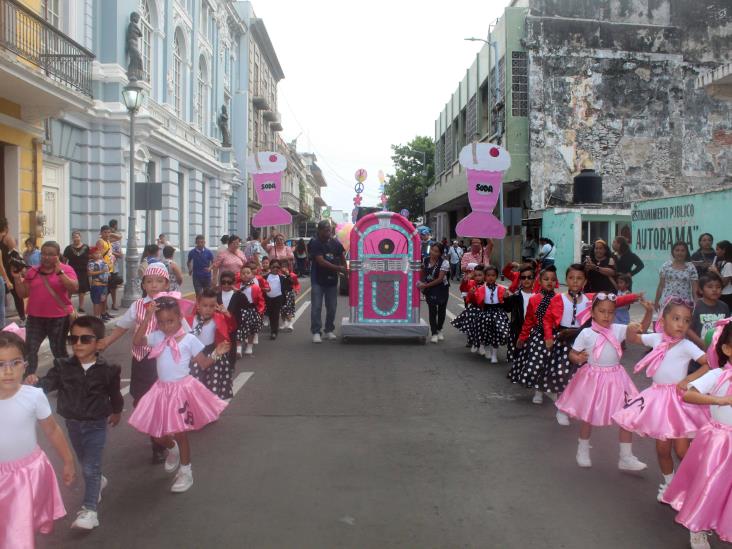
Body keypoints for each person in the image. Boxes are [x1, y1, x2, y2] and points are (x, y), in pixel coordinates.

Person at [26, 316, 123, 530]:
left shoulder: (108, 370)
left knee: (90, 466)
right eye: (74, 339)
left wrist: (116, 412)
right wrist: (35, 383)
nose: (78, 344)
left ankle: (89, 511)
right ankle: (97, 481)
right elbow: (47, 384)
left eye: (85, 339)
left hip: (96, 424)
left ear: (98, 343)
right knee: (84, 460)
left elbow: (115, 395)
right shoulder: (63, 366)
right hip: (72, 424)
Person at [613, 298, 710, 502]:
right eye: (676, 318)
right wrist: (645, 316)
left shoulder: (686, 346)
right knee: (662, 449)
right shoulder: (656, 338)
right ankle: (669, 482)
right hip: (657, 400)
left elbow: (708, 364)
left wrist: (688, 379)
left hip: (678, 402)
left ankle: (698, 480)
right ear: (663, 320)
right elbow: (634, 338)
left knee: (682, 450)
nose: (681, 324)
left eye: (686, 320)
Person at [129, 296, 229, 493]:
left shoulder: (190, 340)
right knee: (156, 434)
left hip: (181, 391)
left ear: (179, 318)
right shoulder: (157, 336)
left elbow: (203, 363)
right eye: (162, 322)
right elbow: (137, 341)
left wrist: (217, 352)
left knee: (181, 433)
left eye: (171, 321)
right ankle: (171, 448)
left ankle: (186, 472)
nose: (166, 326)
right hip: (161, 391)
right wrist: (148, 317)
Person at [555, 294, 652, 471]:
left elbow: (639, 331)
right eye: (602, 311)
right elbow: (572, 354)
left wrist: (649, 313)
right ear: (592, 312)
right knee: (588, 416)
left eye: (610, 312)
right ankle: (582, 448)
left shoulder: (618, 329)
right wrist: (578, 358)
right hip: (592, 377)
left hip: (617, 378)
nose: (606, 316)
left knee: (627, 415)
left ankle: (626, 456)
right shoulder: (586, 333)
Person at [661, 321, 732, 548]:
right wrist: (720, 400)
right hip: (719, 441)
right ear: (728, 350)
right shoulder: (719, 375)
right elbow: (690, 395)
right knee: (709, 484)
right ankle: (697, 526)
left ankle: (722, 521)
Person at [0, 330, 74, 546]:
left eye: (15, 363)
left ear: (25, 365)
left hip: (28, 474)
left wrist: (68, 460)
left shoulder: (33, 396)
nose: (8, 371)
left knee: (20, 530)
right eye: (0, 364)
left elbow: (52, 430)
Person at [542, 264, 638, 425]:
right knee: (562, 375)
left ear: (585, 281)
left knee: (579, 379)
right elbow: (547, 319)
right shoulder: (558, 298)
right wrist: (548, 336)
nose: (575, 281)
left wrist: (634, 297)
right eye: (571, 278)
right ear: (566, 280)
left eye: (579, 278)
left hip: (584, 340)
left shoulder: (589, 298)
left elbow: (613, 300)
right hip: (564, 340)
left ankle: (582, 406)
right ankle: (562, 409)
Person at [99, 264, 174, 463]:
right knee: (141, 401)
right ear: (143, 284)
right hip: (142, 361)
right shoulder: (138, 305)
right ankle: (159, 436)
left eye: (159, 281)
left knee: (160, 403)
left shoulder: (173, 303)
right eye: (149, 281)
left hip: (164, 361)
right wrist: (106, 342)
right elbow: (123, 326)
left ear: (166, 283)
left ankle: (159, 445)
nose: (154, 285)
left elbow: (184, 331)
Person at [11, 241, 78, 375]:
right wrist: (17, 278)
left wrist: (61, 274)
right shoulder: (33, 271)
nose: (46, 257)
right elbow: (23, 293)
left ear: (58, 255)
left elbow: (74, 288)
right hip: (35, 318)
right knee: (29, 351)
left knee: (58, 351)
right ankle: (28, 380)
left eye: (51, 254)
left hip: (58, 319)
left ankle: (66, 380)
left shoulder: (67, 269)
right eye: (44, 254)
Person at [507, 266, 558, 404]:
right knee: (537, 364)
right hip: (538, 336)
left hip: (554, 337)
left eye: (553, 279)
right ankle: (538, 391)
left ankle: (551, 390)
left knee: (552, 365)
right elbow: (529, 320)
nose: (550, 282)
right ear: (539, 281)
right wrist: (522, 337)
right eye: (546, 279)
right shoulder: (534, 299)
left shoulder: (560, 299)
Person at [187, 289, 237, 400]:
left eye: (212, 306)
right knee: (196, 384)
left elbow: (231, 328)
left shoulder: (218, 318)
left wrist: (227, 314)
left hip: (213, 353)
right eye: (205, 305)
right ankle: (197, 408)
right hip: (195, 355)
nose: (208, 309)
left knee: (213, 384)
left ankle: (212, 409)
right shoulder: (189, 320)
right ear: (198, 305)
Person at [309, 220, 346, 343]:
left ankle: (329, 330)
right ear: (319, 231)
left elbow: (342, 256)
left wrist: (345, 270)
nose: (328, 232)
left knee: (332, 307)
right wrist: (338, 268)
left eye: (329, 229)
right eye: (326, 230)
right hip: (317, 280)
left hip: (332, 280)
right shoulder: (315, 243)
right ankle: (316, 332)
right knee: (316, 307)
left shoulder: (335, 243)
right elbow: (321, 261)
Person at [418, 243, 450, 344]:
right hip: (430, 288)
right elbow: (422, 273)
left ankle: (439, 329)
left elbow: (440, 279)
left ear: (440, 253)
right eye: (432, 250)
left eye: (436, 251)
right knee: (432, 310)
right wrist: (420, 281)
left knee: (441, 310)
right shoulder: (425, 260)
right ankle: (434, 333)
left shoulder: (444, 262)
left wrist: (425, 286)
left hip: (441, 288)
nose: (433, 253)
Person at [687, 273, 729, 351]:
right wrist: (700, 343)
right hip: (698, 350)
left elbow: (727, 328)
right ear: (700, 290)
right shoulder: (695, 307)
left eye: (718, 287)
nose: (714, 290)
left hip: (718, 349)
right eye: (710, 287)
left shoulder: (724, 307)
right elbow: (688, 329)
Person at [502, 263, 536, 357]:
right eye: (523, 277)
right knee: (518, 352)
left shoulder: (538, 296)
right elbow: (507, 309)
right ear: (520, 279)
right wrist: (505, 299)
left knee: (531, 353)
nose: (526, 280)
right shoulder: (516, 296)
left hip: (533, 329)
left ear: (534, 279)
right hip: (518, 328)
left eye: (529, 277)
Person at [655, 241, 699, 310]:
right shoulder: (666, 266)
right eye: (677, 250)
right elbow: (661, 286)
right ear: (673, 252)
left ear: (686, 252)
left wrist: (696, 304)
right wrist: (656, 301)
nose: (680, 253)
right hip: (667, 302)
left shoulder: (691, 267)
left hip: (684, 302)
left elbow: (694, 289)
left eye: (683, 250)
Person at [452, 265, 485, 353]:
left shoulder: (487, 284)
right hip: (474, 307)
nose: (477, 277)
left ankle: (482, 341)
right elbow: (463, 289)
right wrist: (465, 281)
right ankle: (471, 339)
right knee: (471, 321)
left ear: (484, 275)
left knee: (483, 324)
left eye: (480, 275)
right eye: (476, 275)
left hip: (485, 308)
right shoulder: (471, 283)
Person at [236, 266, 265, 356]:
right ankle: (238, 348)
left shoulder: (255, 287)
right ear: (240, 275)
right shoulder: (237, 286)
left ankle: (249, 346)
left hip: (251, 310)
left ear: (252, 275)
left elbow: (261, 300)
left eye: (248, 273)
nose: (245, 275)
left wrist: (260, 311)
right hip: (240, 310)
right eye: (243, 273)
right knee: (238, 329)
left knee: (251, 330)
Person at [264, 260, 293, 340]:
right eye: (273, 267)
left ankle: (274, 332)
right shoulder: (265, 277)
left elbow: (290, 284)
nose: (275, 268)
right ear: (270, 267)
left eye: (278, 267)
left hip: (278, 297)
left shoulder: (282, 277)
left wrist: (287, 275)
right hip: (268, 298)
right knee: (270, 314)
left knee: (276, 314)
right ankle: (273, 327)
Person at [63, 231, 90, 313]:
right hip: (72, 270)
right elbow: (64, 260)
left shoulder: (86, 247)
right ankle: (68, 304)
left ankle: (81, 306)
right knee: (70, 287)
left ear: (80, 237)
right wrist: (64, 269)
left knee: (82, 288)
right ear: (72, 238)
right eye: (74, 237)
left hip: (83, 270)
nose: (76, 239)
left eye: (77, 237)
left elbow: (89, 258)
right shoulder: (68, 248)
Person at [95, 226, 120, 314]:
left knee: (106, 291)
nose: (107, 234)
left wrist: (110, 233)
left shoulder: (108, 241)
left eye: (108, 232)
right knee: (103, 292)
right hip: (104, 271)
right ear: (101, 233)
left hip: (110, 269)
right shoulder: (100, 242)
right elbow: (100, 256)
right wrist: (104, 269)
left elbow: (119, 237)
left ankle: (104, 312)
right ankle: (101, 312)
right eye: (105, 232)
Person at [87, 246, 110, 320]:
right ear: (92, 255)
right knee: (97, 302)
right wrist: (101, 271)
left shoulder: (103, 261)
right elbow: (89, 273)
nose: (98, 255)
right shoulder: (91, 263)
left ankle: (102, 315)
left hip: (104, 284)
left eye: (99, 253)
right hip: (97, 285)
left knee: (103, 301)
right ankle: (96, 317)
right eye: (96, 253)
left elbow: (107, 271)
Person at [709, 239, 732, 310]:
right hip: (721, 294)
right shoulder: (722, 262)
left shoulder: (729, 264)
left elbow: (724, 283)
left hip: (727, 295)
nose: (716, 252)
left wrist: (716, 271)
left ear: (724, 250)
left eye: (718, 249)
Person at [107, 220, 124, 311]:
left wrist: (111, 252)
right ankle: (104, 304)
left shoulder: (116, 242)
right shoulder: (102, 241)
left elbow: (120, 255)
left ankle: (114, 303)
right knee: (105, 287)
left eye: (109, 232)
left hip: (114, 267)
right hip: (105, 268)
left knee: (113, 287)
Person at [280, 264, 300, 332]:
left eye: (285, 267)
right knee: (282, 310)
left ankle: (290, 324)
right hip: (281, 294)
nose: (283, 269)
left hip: (289, 294)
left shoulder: (292, 275)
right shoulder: (279, 275)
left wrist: (296, 290)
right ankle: (284, 322)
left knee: (289, 309)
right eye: (282, 267)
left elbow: (296, 283)